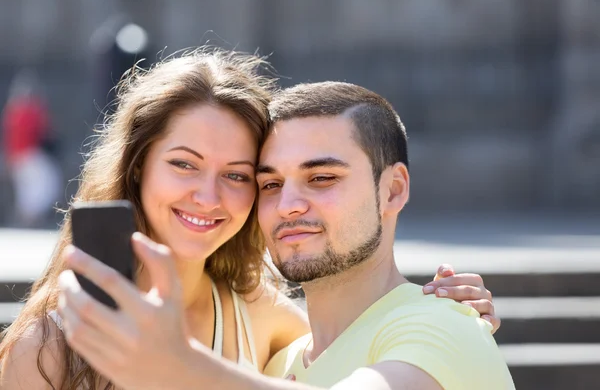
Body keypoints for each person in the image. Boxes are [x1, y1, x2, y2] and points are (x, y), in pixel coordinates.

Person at [0, 49, 499, 390]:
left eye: (238, 176)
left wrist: (449, 320)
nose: (208, 195)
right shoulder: (50, 346)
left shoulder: (267, 325)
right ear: (137, 169)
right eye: (183, 164)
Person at [1, 69, 63, 228]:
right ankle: (28, 218)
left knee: (30, 188)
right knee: (48, 181)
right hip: (28, 154)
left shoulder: (11, 111)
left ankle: (26, 218)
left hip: (17, 157)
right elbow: (46, 132)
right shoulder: (29, 111)